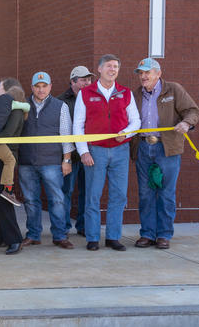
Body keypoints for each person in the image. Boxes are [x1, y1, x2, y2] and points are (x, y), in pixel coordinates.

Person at [73, 54, 141, 252]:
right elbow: (78, 124)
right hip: (96, 151)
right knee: (93, 196)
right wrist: (83, 151)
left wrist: (126, 133)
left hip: (120, 150)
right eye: (109, 66)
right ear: (100, 69)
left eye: (116, 67)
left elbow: (136, 120)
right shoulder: (86, 93)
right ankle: (92, 238)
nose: (113, 70)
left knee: (119, 196)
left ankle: (113, 237)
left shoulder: (125, 93)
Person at [132, 57, 199, 250]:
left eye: (147, 72)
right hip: (144, 147)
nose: (143, 77)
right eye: (141, 73)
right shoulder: (135, 94)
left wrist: (186, 123)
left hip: (167, 148)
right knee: (145, 193)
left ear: (158, 73)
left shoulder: (174, 89)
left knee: (166, 193)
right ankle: (147, 234)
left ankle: (163, 235)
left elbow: (193, 110)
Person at [17, 72, 75, 249]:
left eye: (44, 86)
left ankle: (59, 235)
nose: (41, 89)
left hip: (52, 162)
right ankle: (33, 235)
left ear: (50, 87)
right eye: (37, 86)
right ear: (32, 87)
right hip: (26, 162)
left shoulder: (60, 106)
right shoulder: (23, 106)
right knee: (30, 200)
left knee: (57, 199)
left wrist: (67, 160)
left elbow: (66, 135)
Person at [0, 78, 26, 255]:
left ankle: (14, 239)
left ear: (8, 90)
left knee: (3, 199)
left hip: (4, 158)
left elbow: (8, 134)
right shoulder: (2, 108)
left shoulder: (15, 110)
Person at [59, 65, 93, 237]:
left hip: (89, 154)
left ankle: (83, 225)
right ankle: (63, 227)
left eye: (89, 79)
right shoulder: (61, 101)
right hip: (70, 156)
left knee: (87, 192)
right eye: (83, 80)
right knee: (66, 191)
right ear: (73, 81)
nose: (87, 82)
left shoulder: (94, 97)